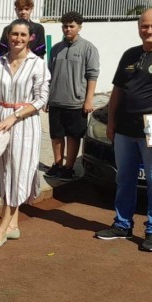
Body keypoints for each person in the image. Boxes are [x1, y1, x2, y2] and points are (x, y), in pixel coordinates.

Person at [95, 8, 152, 253]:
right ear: (139, 27)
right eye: (145, 26)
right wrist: (112, 122)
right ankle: (122, 224)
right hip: (125, 131)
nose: (149, 31)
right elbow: (117, 92)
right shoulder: (129, 55)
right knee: (124, 180)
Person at [0, 19, 50, 248]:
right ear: (7, 36)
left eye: (23, 34)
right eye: (14, 34)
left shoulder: (37, 64)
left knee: (17, 172)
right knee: (1, 171)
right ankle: (13, 225)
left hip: (24, 123)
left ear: (30, 37)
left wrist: (15, 116)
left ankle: (1, 229)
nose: (17, 39)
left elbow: (41, 99)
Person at [46, 11, 100, 181]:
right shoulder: (56, 49)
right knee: (56, 135)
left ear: (79, 27)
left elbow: (92, 75)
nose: (67, 29)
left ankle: (69, 167)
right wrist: (47, 98)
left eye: (71, 26)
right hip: (55, 100)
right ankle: (57, 165)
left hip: (76, 103)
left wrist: (88, 100)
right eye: (65, 26)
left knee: (73, 136)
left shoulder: (88, 48)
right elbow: (49, 74)